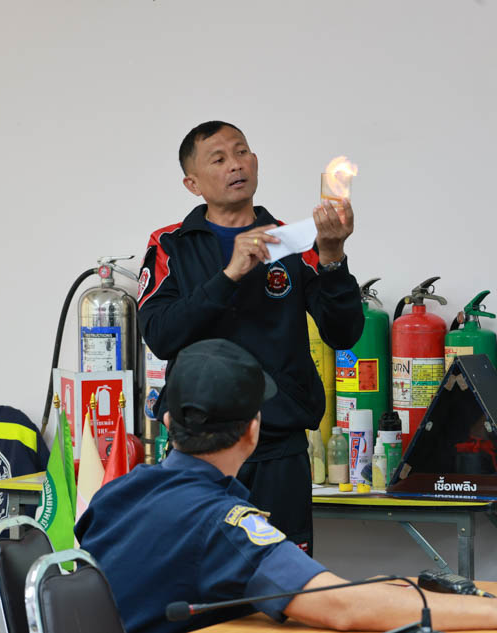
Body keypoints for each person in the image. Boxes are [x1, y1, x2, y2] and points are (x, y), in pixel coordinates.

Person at [75, 339, 497, 633]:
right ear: (253, 430)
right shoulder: (225, 525)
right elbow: (342, 608)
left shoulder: (120, 492)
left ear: (167, 422)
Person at [136, 120, 364, 555]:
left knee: (282, 579)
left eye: (241, 152)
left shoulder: (294, 242)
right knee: (199, 573)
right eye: (218, 159)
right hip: (197, 451)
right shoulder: (171, 245)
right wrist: (229, 275)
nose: (235, 165)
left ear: (255, 162)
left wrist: (333, 256)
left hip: (278, 448)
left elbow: (344, 334)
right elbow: (161, 336)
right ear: (192, 183)